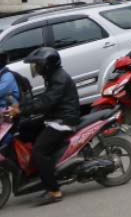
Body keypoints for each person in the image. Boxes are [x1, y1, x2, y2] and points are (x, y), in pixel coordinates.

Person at [10, 47, 80, 205]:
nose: (36, 68)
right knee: (24, 129)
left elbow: (47, 101)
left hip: (63, 120)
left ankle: (54, 191)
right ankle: (35, 172)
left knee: (39, 152)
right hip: (54, 117)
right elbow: (44, 98)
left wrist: (22, 109)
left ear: (48, 65)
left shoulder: (59, 78)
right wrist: (21, 106)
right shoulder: (53, 76)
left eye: (39, 65)